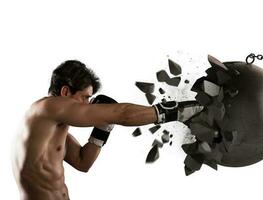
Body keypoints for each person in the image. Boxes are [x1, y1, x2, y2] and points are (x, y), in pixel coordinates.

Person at [12, 60, 203, 200]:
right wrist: (176, 111)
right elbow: (122, 114)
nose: (88, 104)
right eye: (85, 98)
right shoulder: (47, 107)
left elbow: (82, 162)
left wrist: (103, 127)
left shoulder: (52, 131)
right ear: (65, 92)